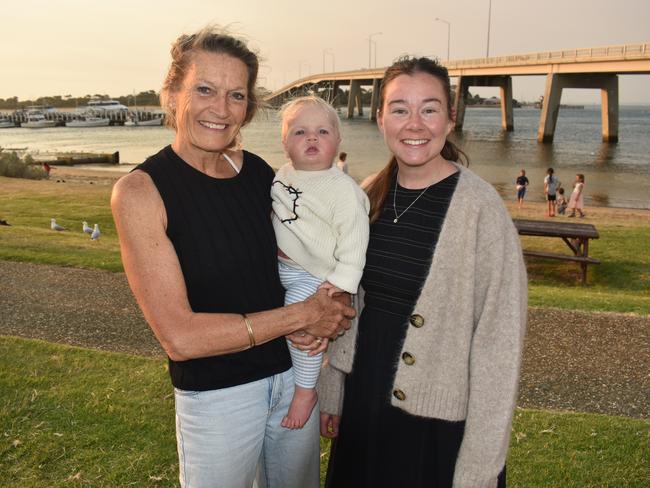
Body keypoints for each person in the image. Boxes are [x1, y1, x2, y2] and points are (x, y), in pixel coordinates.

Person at [110, 26, 354, 488]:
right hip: (218, 395)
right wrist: (302, 315)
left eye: (236, 95)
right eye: (204, 89)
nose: (221, 110)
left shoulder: (259, 173)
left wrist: (333, 305)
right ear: (171, 94)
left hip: (291, 378)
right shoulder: (142, 193)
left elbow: (311, 250)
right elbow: (180, 338)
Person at [318, 56, 527, 488]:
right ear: (381, 120)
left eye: (429, 109)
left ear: (450, 120)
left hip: (436, 424)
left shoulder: (481, 210)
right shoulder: (365, 195)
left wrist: (479, 468)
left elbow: (498, 352)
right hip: (364, 408)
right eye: (400, 109)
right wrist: (333, 391)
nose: (415, 124)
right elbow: (348, 305)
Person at [272, 96, 370, 429]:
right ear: (284, 143)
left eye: (322, 132)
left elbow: (355, 240)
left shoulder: (343, 190)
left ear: (338, 142)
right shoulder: (282, 175)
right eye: (300, 132)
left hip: (314, 274)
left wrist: (342, 284)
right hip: (281, 266)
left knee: (300, 317)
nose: (312, 138)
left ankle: (305, 390)